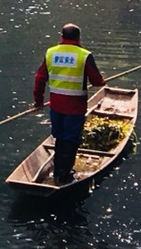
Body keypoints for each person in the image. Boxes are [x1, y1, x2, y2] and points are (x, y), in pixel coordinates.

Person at [32, 23, 106, 184]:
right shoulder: (84, 55)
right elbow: (97, 80)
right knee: (71, 140)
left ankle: (59, 171)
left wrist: (38, 101)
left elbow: (39, 79)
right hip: (75, 107)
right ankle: (63, 176)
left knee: (59, 137)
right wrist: (101, 81)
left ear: (62, 37)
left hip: (56, 106)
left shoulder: (50, 53)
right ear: (79, 38)